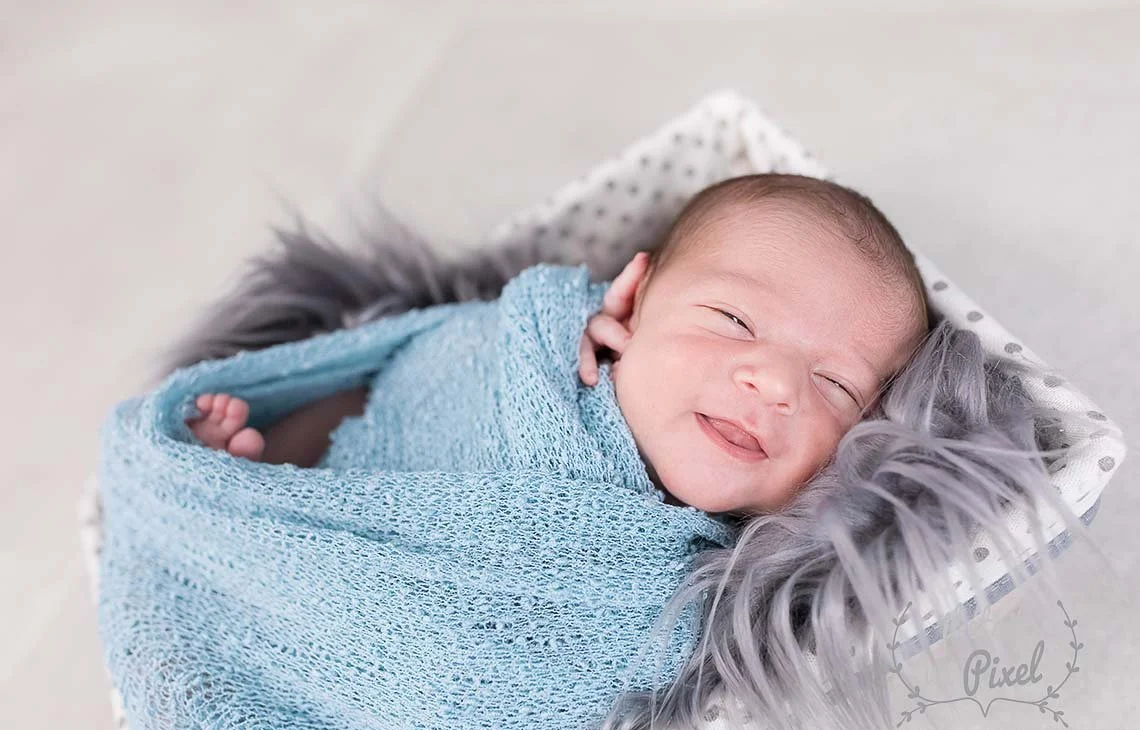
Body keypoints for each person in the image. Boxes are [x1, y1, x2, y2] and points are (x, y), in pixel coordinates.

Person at [187, 173, 929, 516]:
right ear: (632, 303)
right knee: (354, 414)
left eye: (835, 385)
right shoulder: (550, 347)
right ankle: (247, 485)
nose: (774, 383)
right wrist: (560, 320)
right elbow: (446, 362)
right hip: (378, 475)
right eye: (735, 321)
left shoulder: (740, 568)